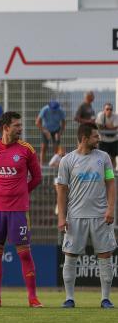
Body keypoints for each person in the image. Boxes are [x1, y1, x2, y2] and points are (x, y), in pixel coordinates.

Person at [0, 112, 43, 307]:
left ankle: (32, 298)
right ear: (5, 127)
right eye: (16, 125)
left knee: (24, 253)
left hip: (18, 211)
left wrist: (21, 192)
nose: (20, 129)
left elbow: (37, 178)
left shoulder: (26, 150)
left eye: (20, 125)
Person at [57, 123, 115, 308]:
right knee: (70, 256)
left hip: (100, 216)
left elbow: (111, 183)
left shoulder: (104, 158)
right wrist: (61, 217)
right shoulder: (67, 160)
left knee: (105, 255)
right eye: (96, 136)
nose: (99, 139)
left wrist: (110, 209)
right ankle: (69, 298)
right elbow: (62, 190)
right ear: (84, 138)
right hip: (75, 217)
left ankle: (105, 298)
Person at [36, 100, 66, 164]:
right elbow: (37, 122)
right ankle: (42, 166)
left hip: (56, 130)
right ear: (49, 107)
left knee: (56, 148)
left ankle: (56, 165)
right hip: (46, 129)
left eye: (55, 109)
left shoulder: (60, 111)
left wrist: (60, 133)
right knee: (44, 147)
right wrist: (45, 131)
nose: (54, 111)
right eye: (53, 109)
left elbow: (63, 123)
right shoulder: (45, 109)